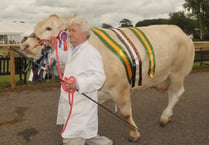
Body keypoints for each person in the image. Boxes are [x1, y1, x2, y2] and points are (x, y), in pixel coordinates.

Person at [50, 17, 113, 145]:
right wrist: (54, 48)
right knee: (86, 132)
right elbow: (64, 59)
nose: (69, 33)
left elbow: (99, 78)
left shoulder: (92, 53)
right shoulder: (73, 50)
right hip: (72, 101)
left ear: (84, 34)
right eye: (68, 30)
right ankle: (102, 142)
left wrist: (78, 83)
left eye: (73, 30)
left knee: (73, 135)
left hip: (81, 104)